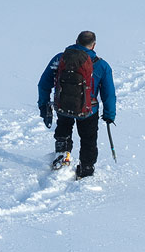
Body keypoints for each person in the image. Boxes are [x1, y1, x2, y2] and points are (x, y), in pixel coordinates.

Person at [37, 31, 117, 178]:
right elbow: (109, 94)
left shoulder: (60, 59)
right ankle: (86, 168)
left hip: (63, 106)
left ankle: (62, 157)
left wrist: (43, 105)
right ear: (94, 45)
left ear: (76, 41)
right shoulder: (102, 65)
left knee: (63, 130)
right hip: (88, 110)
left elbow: (43, 84)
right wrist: (109, 115)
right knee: (88, 139)